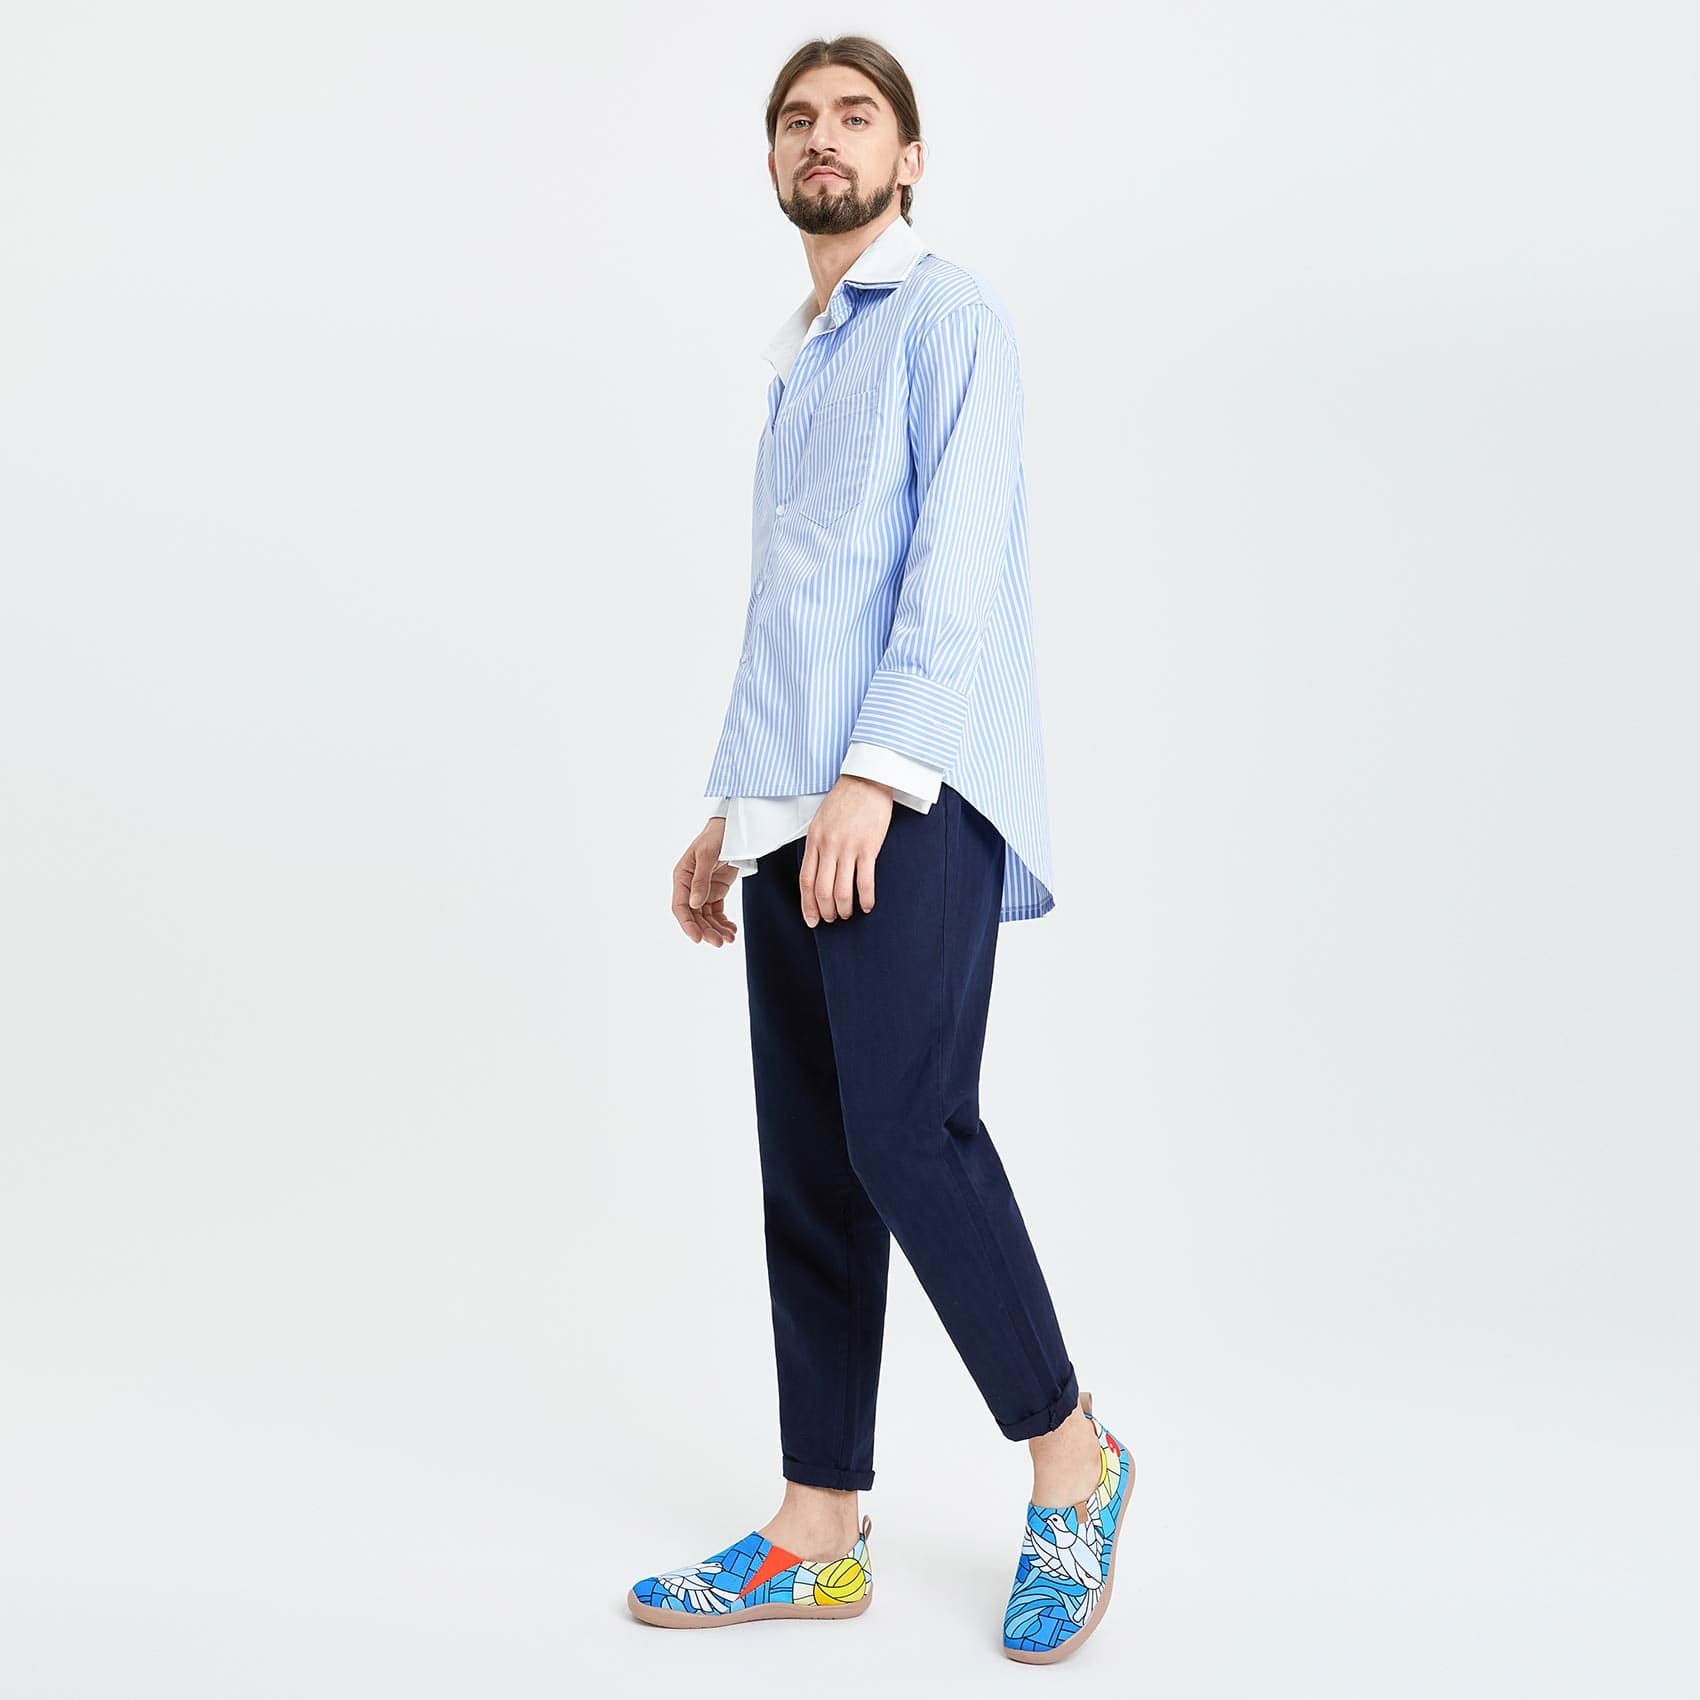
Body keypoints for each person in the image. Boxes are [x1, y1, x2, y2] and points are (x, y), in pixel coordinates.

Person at [638, 36, 1132, 1663]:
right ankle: (818, 1524)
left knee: (910, 1134)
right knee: (813, 1163)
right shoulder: (802, 364)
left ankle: (1073, 1461)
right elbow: (803, 607)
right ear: (774, 162)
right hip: (801, 809)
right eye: (798, 120)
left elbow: (954, 561)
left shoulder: (948, 317)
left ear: (908, 156)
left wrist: (873, 774)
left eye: (856, 117)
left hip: (910, 796)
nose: (824, 139)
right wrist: (740, 806)